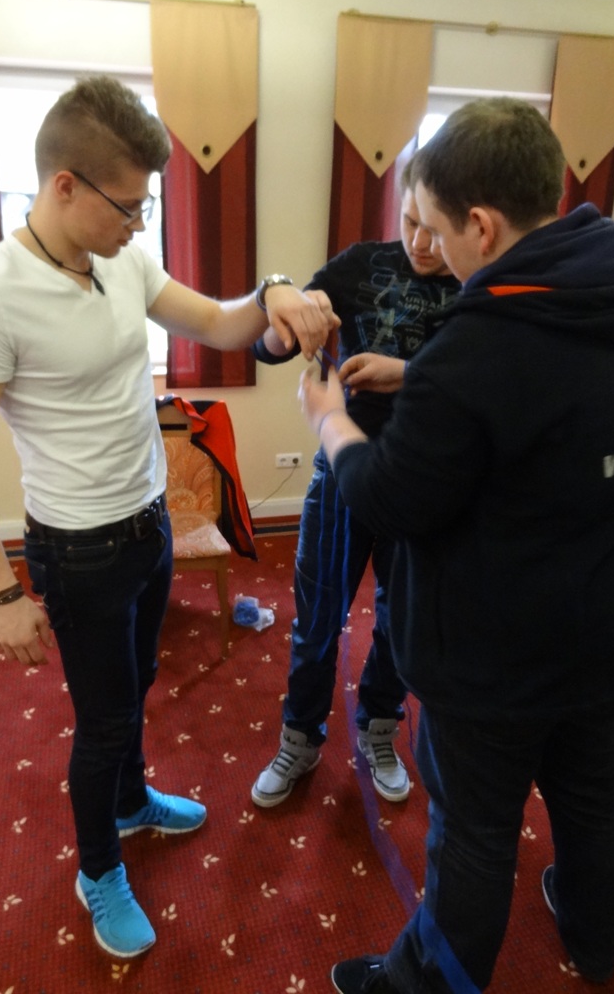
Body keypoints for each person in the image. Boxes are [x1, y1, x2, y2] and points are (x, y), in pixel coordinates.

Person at [0, 75, 337, 961]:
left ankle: (128, 801)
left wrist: (275, 291)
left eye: (145, 205)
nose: (138, 224)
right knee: (104, 720)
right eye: (128, 205)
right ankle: (98, 868)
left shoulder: (121, 260)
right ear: (63, 185)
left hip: (148, 523)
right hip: (76, 551)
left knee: (137, 684)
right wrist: (0, 595)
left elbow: (224, 326)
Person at [298, 97, 614, 994]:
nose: (425, 244)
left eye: (432, 225)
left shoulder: (478, 344)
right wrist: (417, 377)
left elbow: (391, 496)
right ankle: (594, 936)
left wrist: (333, 420)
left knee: (473, 830)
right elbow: (554, 413)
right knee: (590, 785)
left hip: (500, 650)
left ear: (482, 225)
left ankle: (422, 986)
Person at [250, 160, 460, 809]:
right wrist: (284, 308)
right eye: (409, 222)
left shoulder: (478, 283)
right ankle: (301, 736)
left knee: (403, 621)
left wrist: (407, 371)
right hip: (343, 471)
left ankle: (379, 730)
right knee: (318, 617)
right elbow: (267, 348)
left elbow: (493, 385)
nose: (420, 242)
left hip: (425, 478)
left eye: (435, 230)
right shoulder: (361, 264)